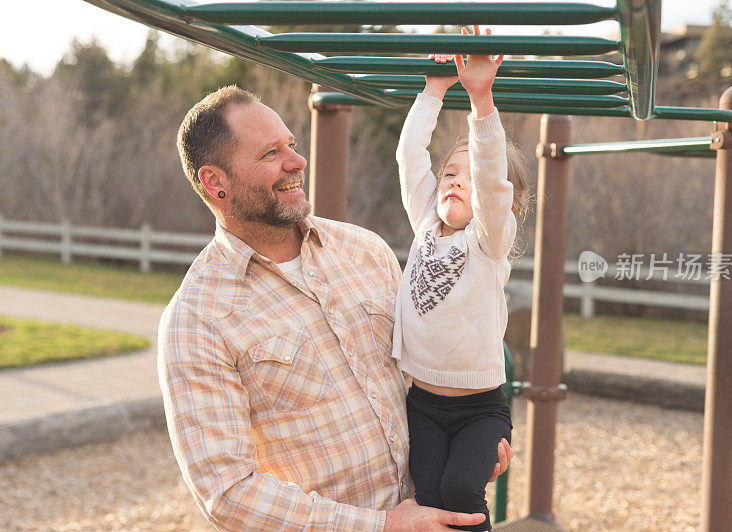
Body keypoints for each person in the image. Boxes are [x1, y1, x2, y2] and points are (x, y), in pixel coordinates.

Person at [158, 81, 512, 531]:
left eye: (292, 144)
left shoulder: (364, 250)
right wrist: (380, 527)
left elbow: (422, 373)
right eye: (271, 154)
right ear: (215, 181)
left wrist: (471, 439)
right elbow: (227, 492)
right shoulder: (195, 319)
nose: (297, 161)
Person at [392, 26, 529, 531]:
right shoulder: (426, 222)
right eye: (450, 172)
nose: (454, 180)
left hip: (479, 409)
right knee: (428, 496)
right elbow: (410, 157)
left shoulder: (488, 242)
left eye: (466, 178)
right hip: (422, 403)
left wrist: (480, 98)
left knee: (460, 490)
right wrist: (432, 91)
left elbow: (493, 180)